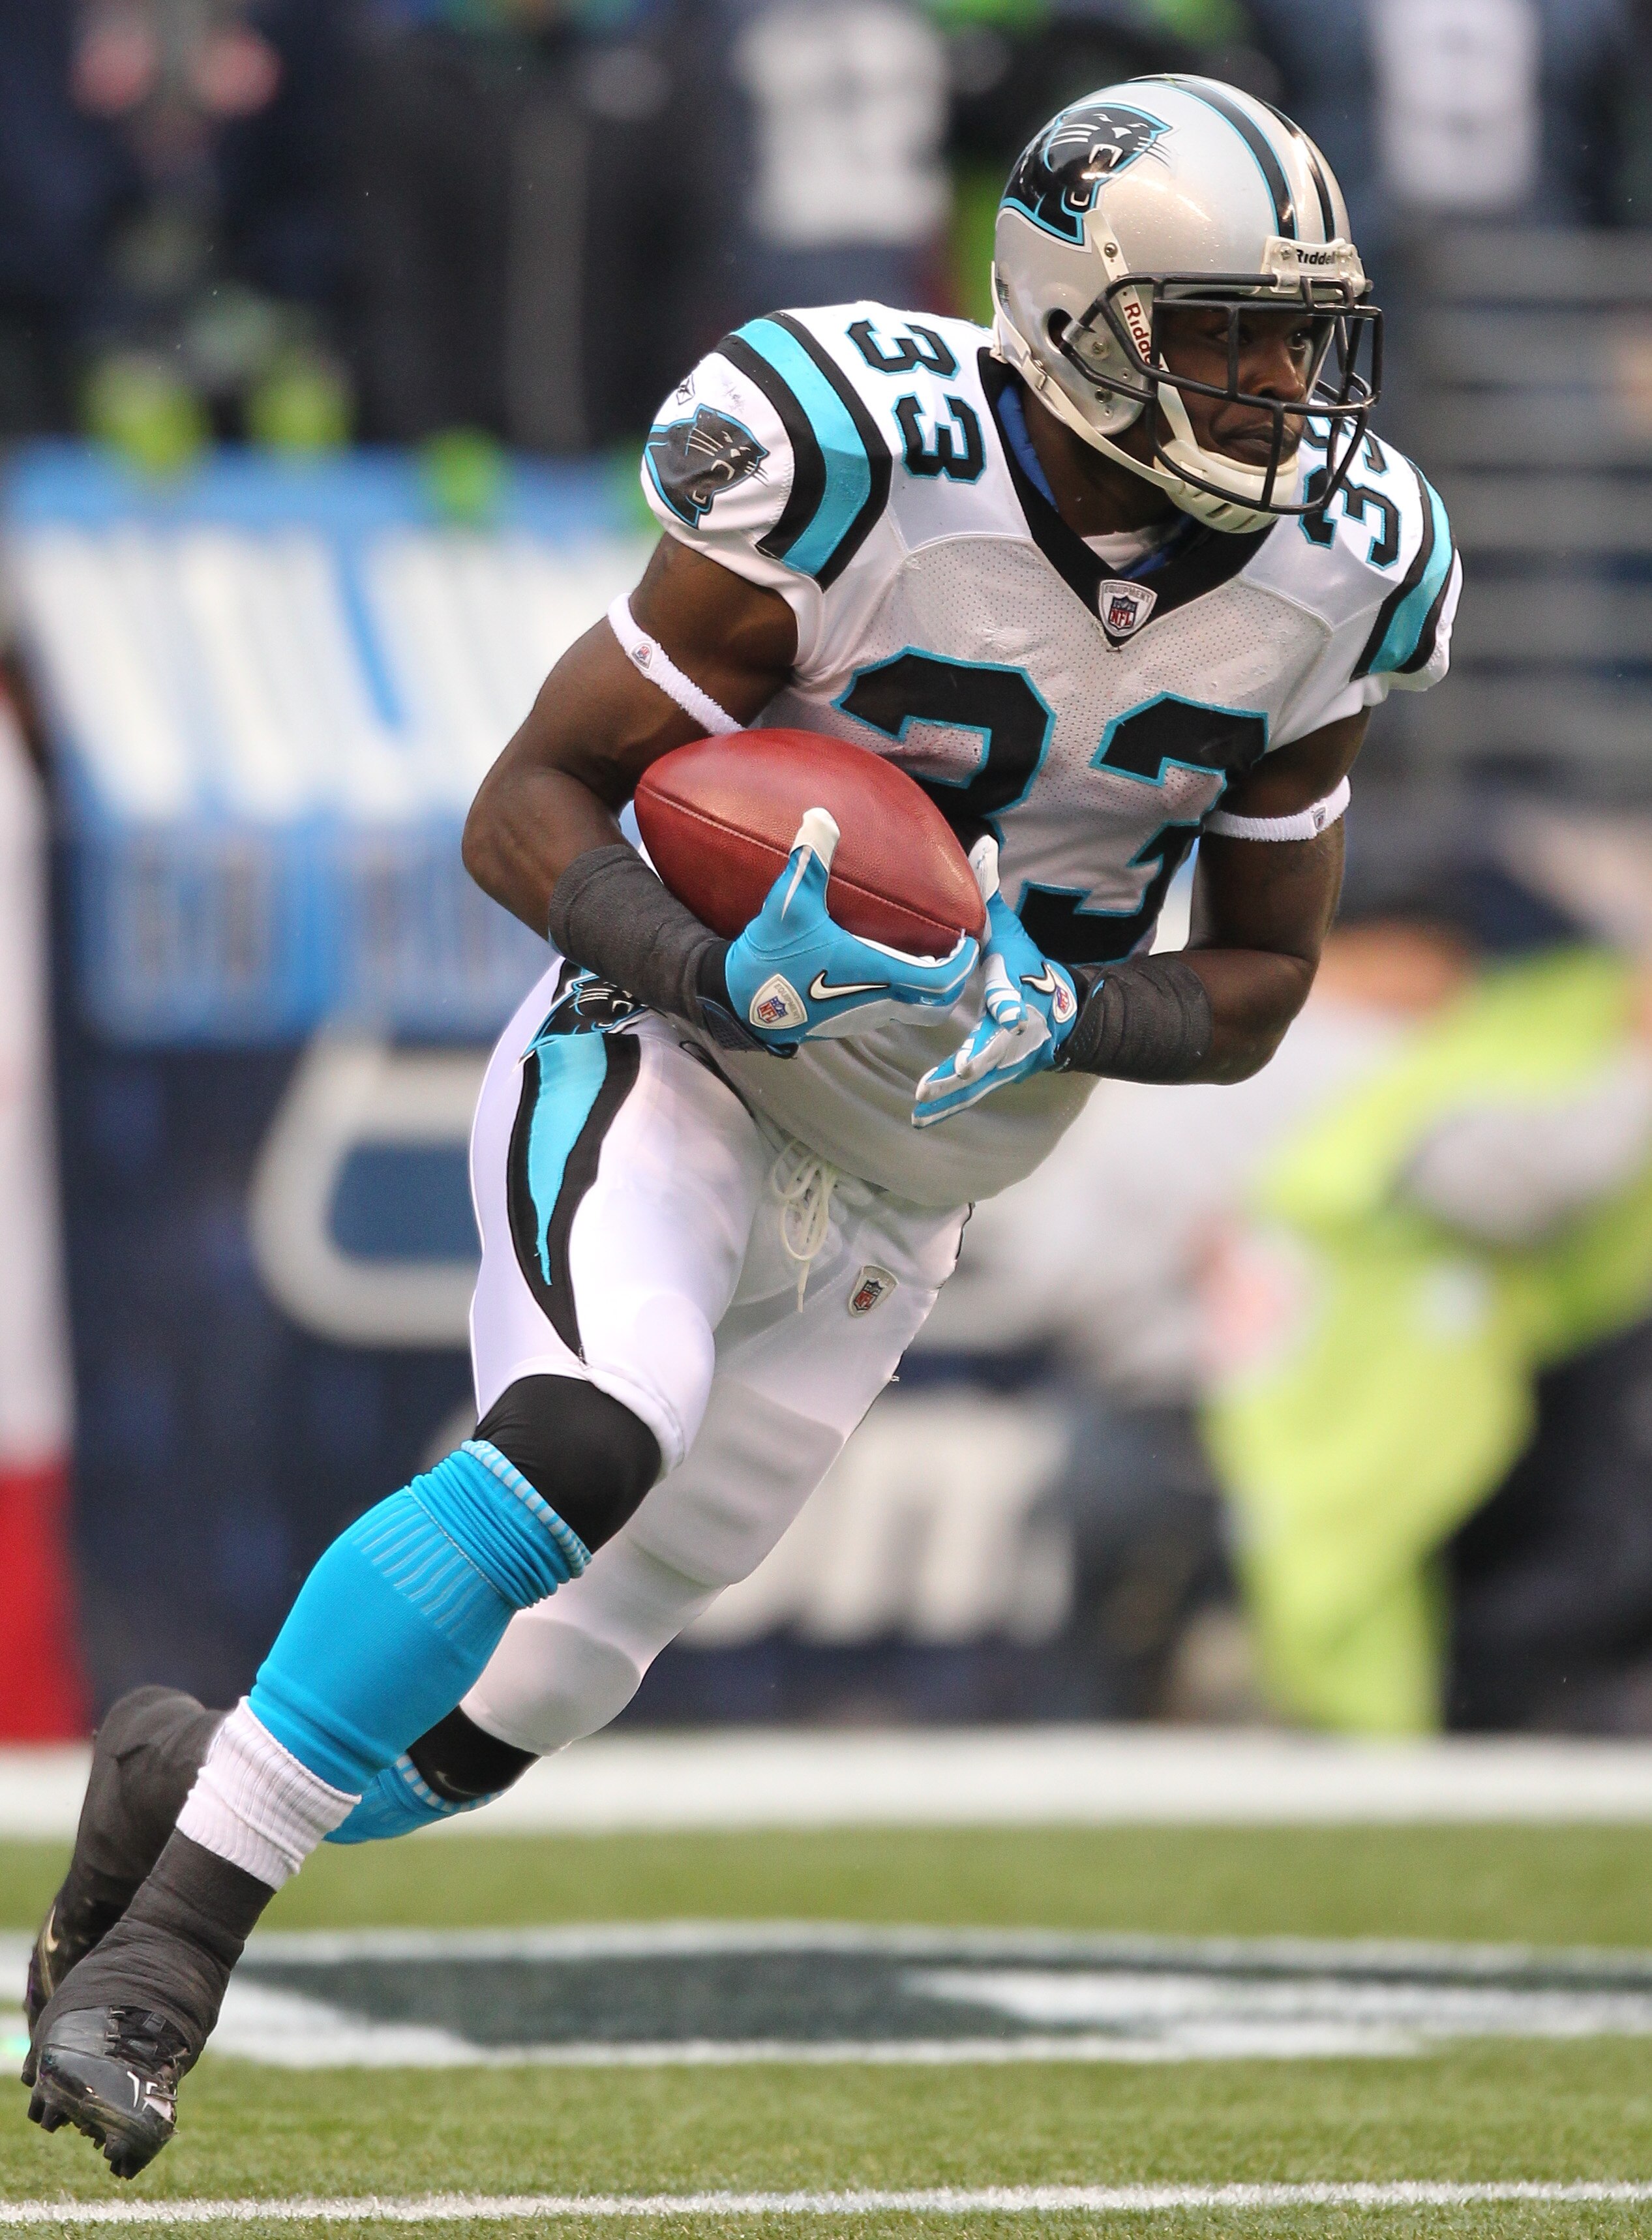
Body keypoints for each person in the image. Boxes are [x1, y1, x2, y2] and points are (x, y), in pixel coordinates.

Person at [23, 74, 1456, 2176]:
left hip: (916, 1179)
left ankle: (186, 1768)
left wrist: (1069, 1000)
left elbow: (1258, 987)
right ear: (1075, 315)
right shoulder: (864, 452)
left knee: (521, 1707)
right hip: (673, 1051)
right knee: (594, 1425)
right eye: (1225, 332)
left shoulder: (1341, 567)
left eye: (1300, 336)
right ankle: (167, 1962)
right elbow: (526, 806)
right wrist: (712, 973)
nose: (1279, 388)